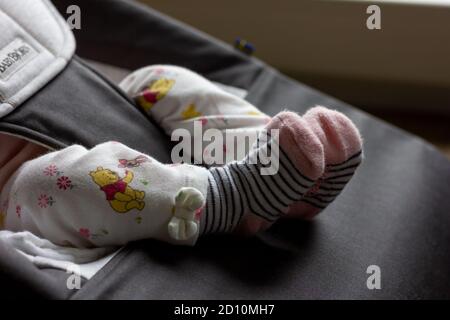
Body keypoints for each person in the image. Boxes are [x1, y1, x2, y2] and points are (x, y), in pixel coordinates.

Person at [0, 65, 362, 248]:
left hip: (86, 104)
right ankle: (234, 197)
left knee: (155, 79)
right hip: (15, 189)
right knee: (45, 184)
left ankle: (266, 157)